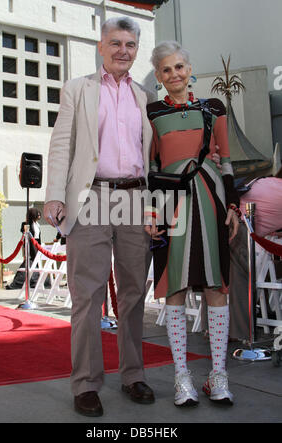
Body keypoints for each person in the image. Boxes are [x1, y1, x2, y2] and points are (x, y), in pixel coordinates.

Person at [44, 17, 155, 417]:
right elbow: (61, 147)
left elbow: (154, 155)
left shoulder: (146, 95)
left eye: (130, 44)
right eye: (115, 43)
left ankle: (132, 374)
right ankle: (87, 383)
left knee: (132, 293)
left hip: (135, 197)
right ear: (100, 46)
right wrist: (55, 196)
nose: (123, 50)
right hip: (91, 196)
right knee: (87, 295)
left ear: (136, 49)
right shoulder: (78, 89)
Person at [145, 41, 240, 407]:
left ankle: (218, 376)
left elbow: (227, 161)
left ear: (189, 68)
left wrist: (232, 204)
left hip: (211, 199)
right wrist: (152, 212)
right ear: (158, 76)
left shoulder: (214, 108)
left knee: (218, 285)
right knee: (175, 287)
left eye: (179, 67)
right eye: (166, 70)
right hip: (172, 204)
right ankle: (182, 376)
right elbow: (152, 167)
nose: (174, 74)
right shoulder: (152, 113)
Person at [229, 174, 282, 341]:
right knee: (241, 280)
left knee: (222, 280)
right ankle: (239, 333)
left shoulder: (269, 182)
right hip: (239, 227)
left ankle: (216, 329)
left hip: (228, 220)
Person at [6, 208, 42, 289]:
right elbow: (23, 232)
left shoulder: (37, 224)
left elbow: (39, 237)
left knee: (35, 262)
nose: (39, 216)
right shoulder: (26, 223)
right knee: (30, 261)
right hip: (30, 244)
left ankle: (35, 281)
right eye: (38, 214)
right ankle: (18, 282)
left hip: (36, 244)